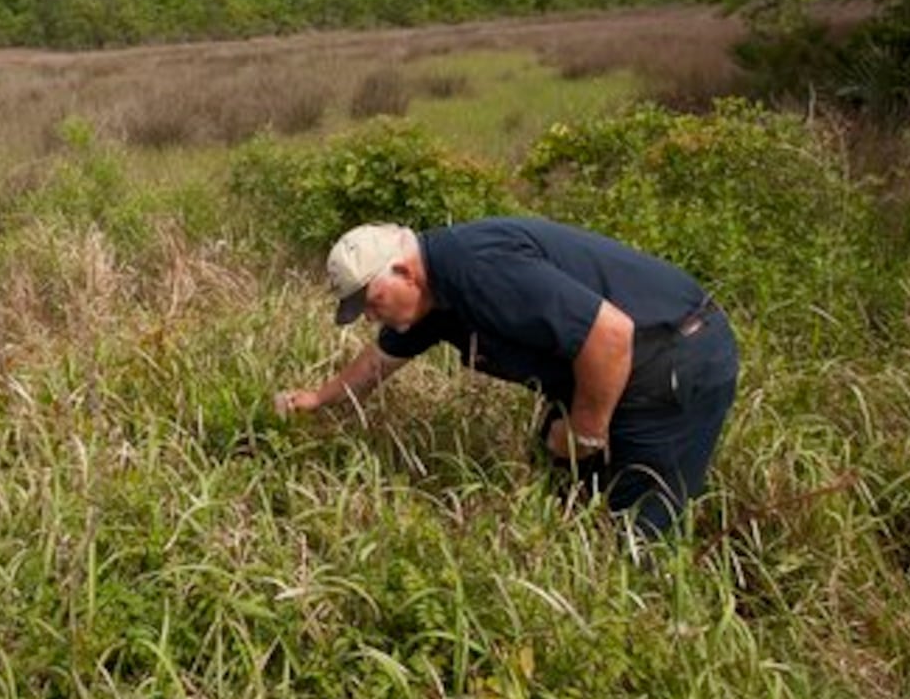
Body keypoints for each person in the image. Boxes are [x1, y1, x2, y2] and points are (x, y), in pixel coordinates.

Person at [273, 216, 739, 536]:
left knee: (640, 533)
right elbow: (379, 361)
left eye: (372, 302)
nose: (373, 317)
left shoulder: (479, 268)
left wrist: (586, 435)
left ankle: (656, 634)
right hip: (605, 374)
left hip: (671, 362)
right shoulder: (432, 298)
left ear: (402, 271)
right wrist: (318, 398)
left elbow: (611, 336)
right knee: (564, 496)